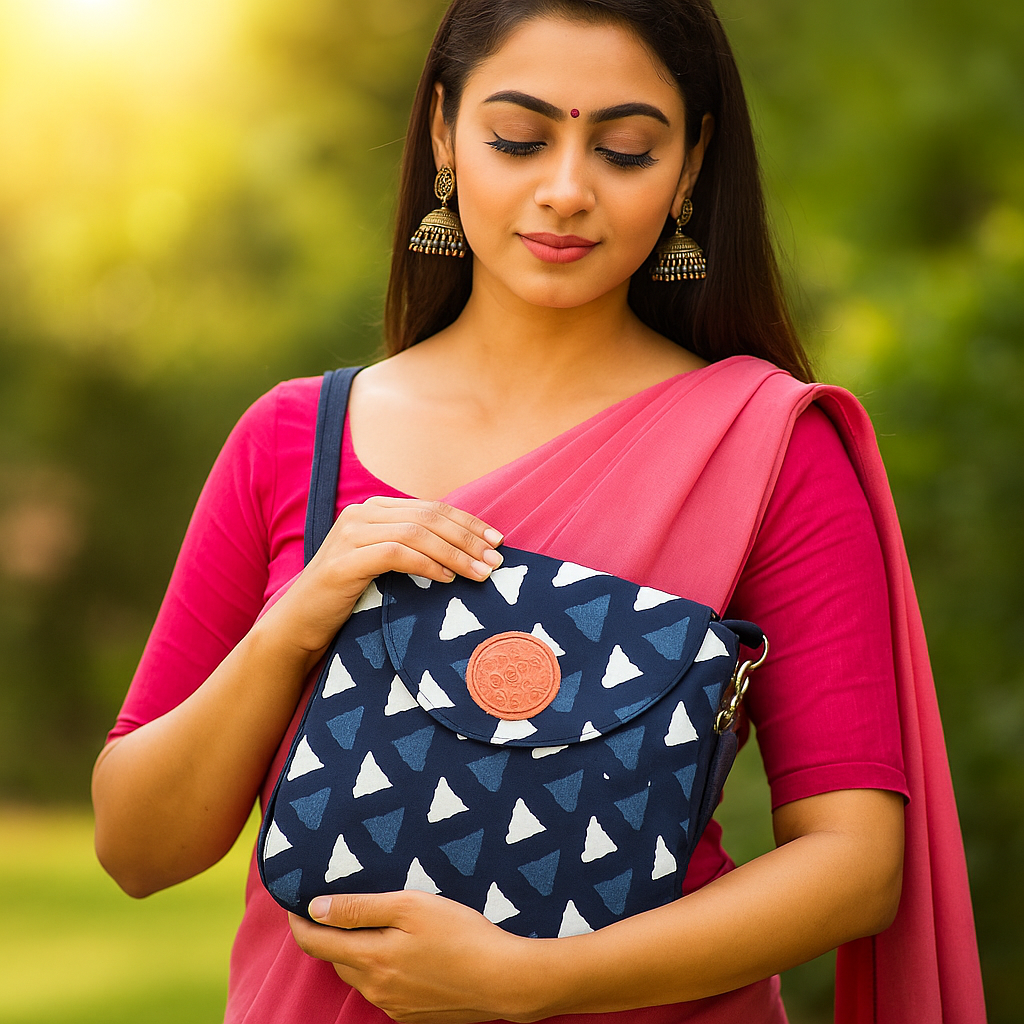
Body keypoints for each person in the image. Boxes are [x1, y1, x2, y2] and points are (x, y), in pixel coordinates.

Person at [91, 1, 986, 1022]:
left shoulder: (769, 446)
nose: (565, 190)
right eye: (517, 140)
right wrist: (295, 623)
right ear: (443, 134)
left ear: (691, 164)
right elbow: (138, 849)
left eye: (625, 150)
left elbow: (854, 864)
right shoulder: (298, 436)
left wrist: (532, 982)